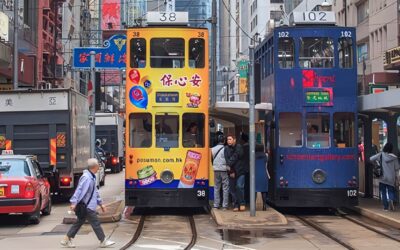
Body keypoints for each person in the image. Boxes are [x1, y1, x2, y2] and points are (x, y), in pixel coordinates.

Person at [61, 158, 115, 248]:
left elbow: (95, 192)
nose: (99, 167)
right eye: (98, 165)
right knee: (95, 223)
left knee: (79, 222)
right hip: (87, 206)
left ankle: (66, 239)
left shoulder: (91, 177)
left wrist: (101, 204)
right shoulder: (87, 178)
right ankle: (103, 241)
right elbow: (79, 190)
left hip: (87, 206)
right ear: (94, 166)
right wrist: (73, 202)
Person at [370, 142, 400, 211]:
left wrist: (376, 164)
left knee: (383, 192)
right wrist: (397, 179)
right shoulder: (394, 158)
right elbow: (396, 169)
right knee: (391, 191)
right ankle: (391, 200)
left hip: (382, 177)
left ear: (385, 147)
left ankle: (385, 207)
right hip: (391, 178)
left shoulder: (381, 155)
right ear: (391, 149)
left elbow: (371, 158)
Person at [224, 135, 247, 212]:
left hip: (240, 171)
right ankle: (236, 205)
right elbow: (227, 160)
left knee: (239, 187)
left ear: (234, 140)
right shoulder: (226, 149)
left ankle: (242, 203)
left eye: (230, 139)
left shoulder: (239, 147)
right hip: (231, 172)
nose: (228, 141)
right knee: (232, 190)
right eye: (227, 139)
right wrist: (231, 172)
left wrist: (230, 163)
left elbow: (236, 156)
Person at [211, 135, 229, 210]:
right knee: (225, 187)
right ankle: (224, 205)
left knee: (216, 187)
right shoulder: (226, 149)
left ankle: (216, 205)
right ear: (224, 141)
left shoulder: (212, 149)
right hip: (224, 169)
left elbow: (211, 159)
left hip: (216, 169)